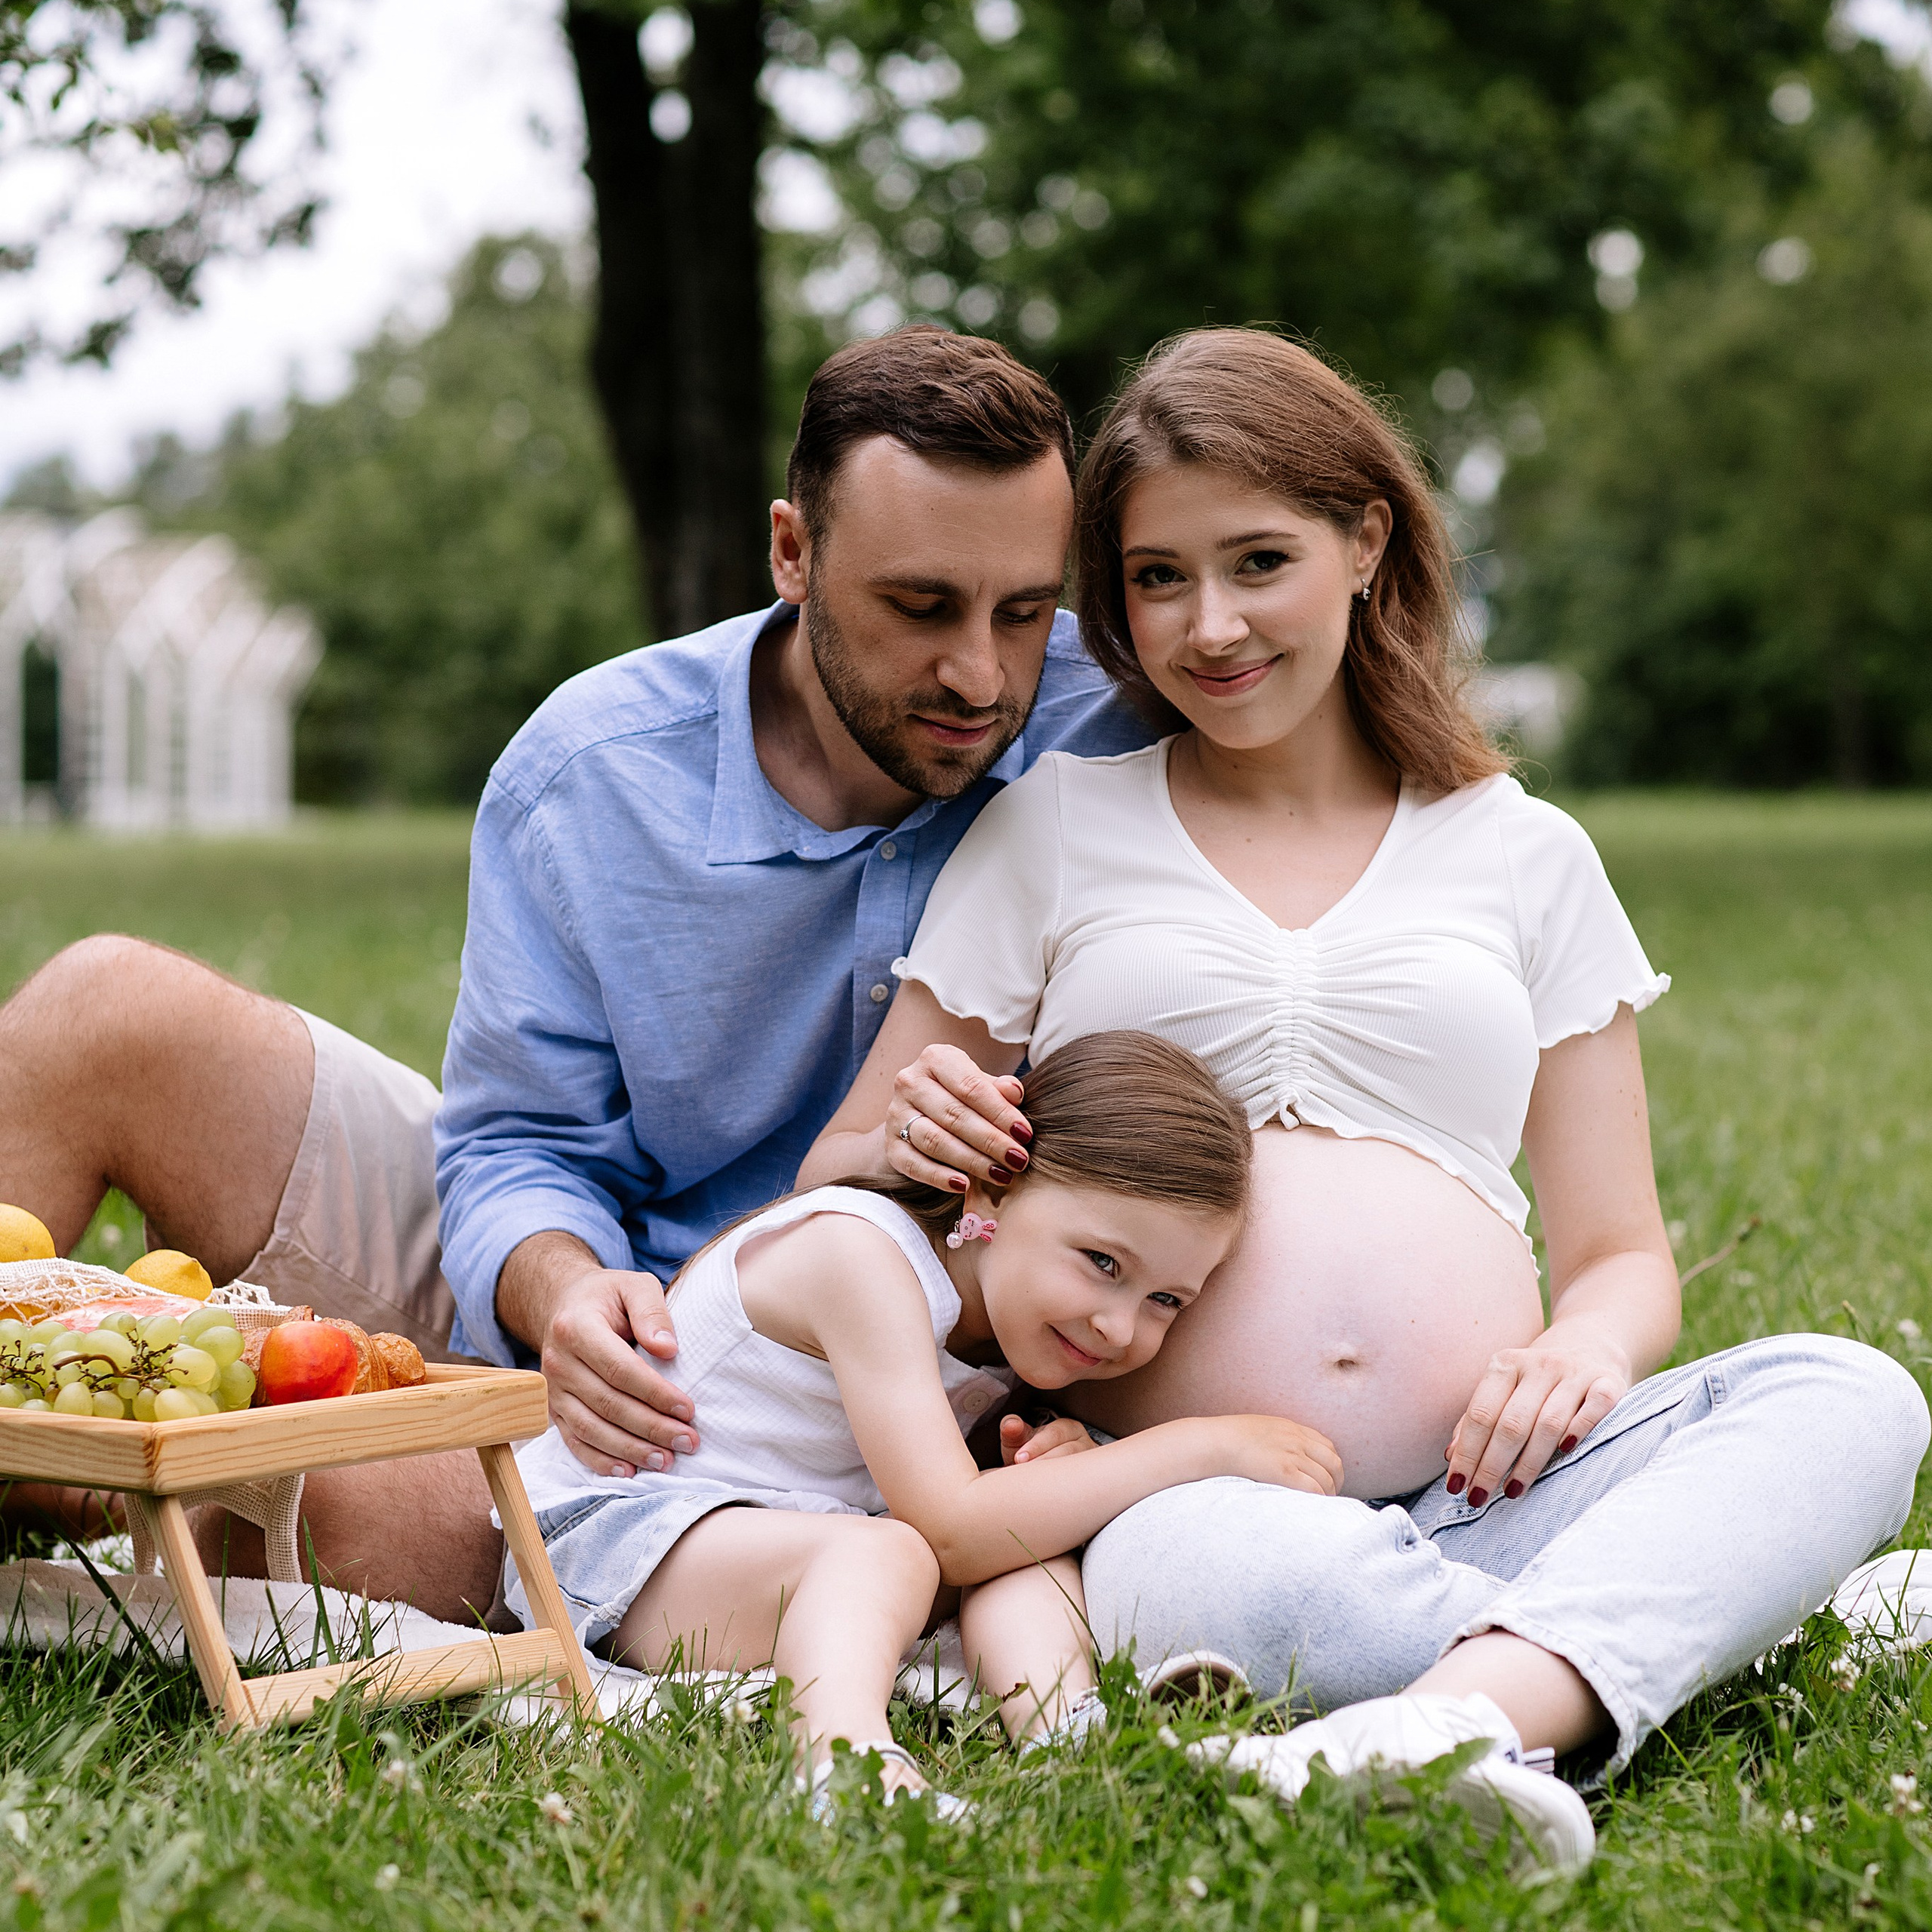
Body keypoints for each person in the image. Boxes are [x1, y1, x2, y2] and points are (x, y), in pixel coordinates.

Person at [802, 328, 1931, 1869]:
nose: (1208, 625)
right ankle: (1657, 1625)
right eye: (1154, 577)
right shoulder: (1055, 827)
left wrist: (1581, 1351)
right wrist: (903, 1145)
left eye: (1257, 559)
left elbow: (1618, 1251)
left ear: (1363, 539)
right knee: (1278, 1601)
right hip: (1201, 1500)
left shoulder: (1520, 851)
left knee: (1846, 1392)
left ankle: (1441, 1709)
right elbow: (838, 1186)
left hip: (1503, 1486)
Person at [0, 326, 1150, 1614]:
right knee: (104, 1012)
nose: (982, 673)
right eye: (920, 607)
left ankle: (150, 1473)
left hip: (831, 1400)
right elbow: (517, 1147)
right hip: (580, 1300)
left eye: (1027, 610)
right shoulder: (592, 769)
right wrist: (564, 1293)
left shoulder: (1121, 719)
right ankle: (114, 1456)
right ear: (793, 554)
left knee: (396, 1536)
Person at [509, 1032, 1339, 1807]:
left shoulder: (993, 1317)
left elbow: (975, 1527)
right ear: (990, 1187)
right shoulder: (860, 1256)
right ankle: (841, 1767)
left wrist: (1062, 1459)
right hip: (611, 1542)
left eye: (1165, 1299)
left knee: (1021, 1544)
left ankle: (1067, 1736)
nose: (1119, 1327)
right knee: (898, 1551)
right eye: (1102, 1263)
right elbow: (948, 1529)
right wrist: (1202, 1445)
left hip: (774, 1546)